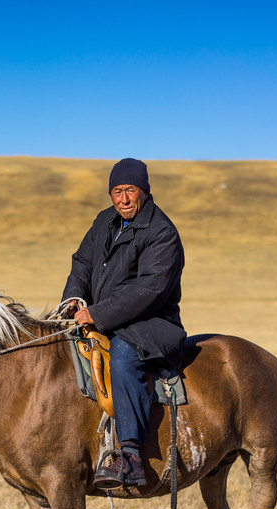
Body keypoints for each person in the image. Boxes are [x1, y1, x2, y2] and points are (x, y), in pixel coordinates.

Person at [62, 158, 186, 488]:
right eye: (116, 191)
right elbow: (82, 264)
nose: (123, 199)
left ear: (144, 192)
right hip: (106, 317)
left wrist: (98, 315)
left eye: (130, 190)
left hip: (152, 323)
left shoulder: (162, 232)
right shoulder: (104, 221)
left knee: (122, 358)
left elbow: (150, 289)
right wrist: (74, 298)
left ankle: (130, 457)